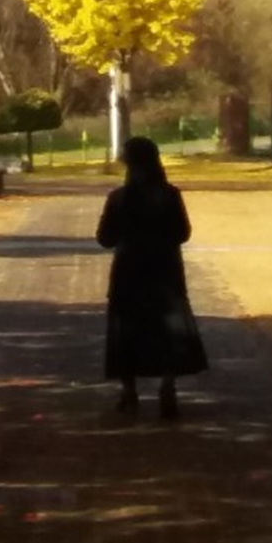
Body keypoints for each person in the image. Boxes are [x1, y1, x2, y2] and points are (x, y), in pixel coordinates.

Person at [97, 135, 207, 418]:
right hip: (164, 270)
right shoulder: (170, 194)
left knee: (127, 331)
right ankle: (167, 386)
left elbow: (105, 238)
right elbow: (183, 233)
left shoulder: (118, 198)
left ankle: (129, 391)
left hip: (129, 271)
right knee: (167, 331)